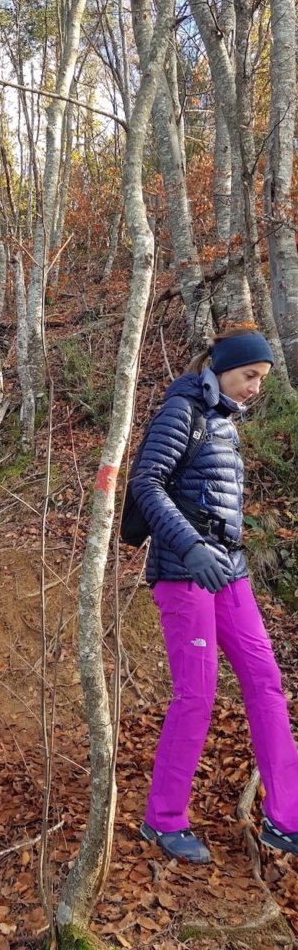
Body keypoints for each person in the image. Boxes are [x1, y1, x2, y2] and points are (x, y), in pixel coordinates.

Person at [131, 328, 298, 863]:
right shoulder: (183, 410)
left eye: (262, 381)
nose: (255, 388)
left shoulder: (224, 421)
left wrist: (217, 551)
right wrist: (189, 546)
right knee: (197, 694)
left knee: (266, 681)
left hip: (230, 567)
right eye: (250, 376)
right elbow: (146, 483)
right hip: (183, 569)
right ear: (223, 366)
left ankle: (287, 819)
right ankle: (163, 819)